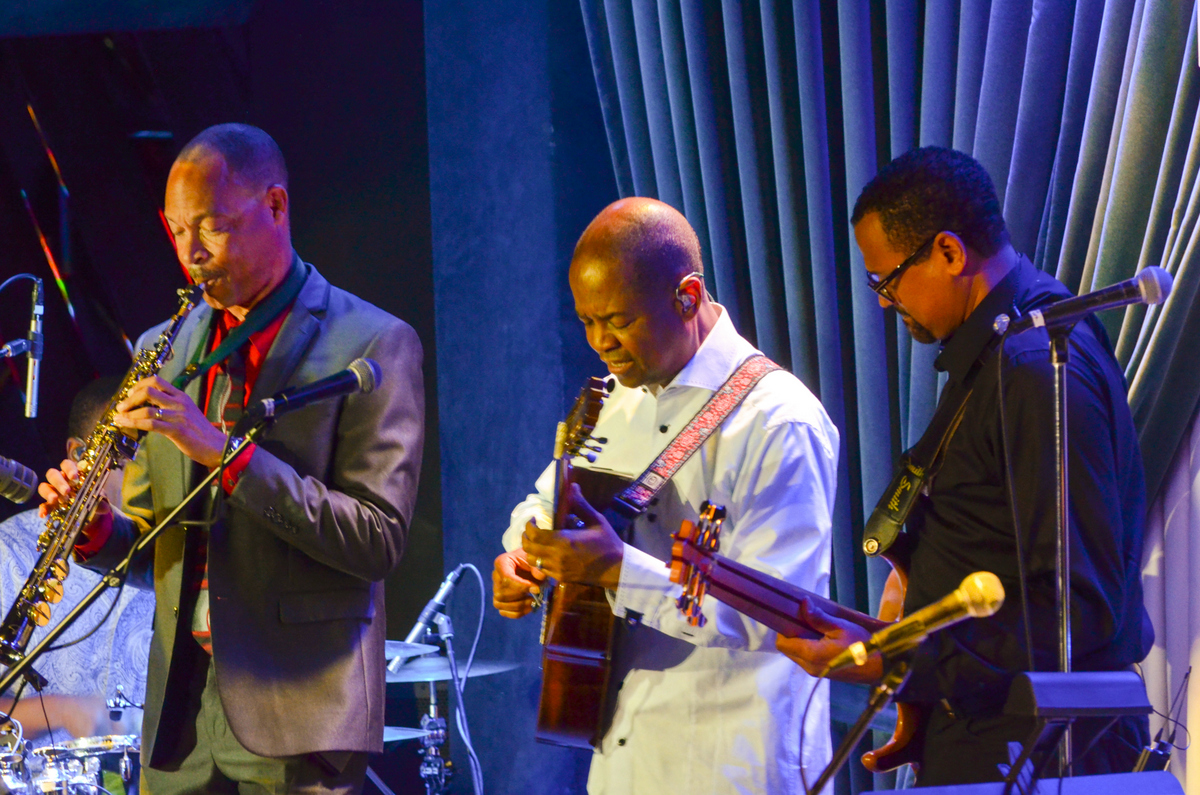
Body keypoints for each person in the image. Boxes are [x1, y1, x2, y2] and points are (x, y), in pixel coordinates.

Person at [38, 123, 425, 794]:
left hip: (299, 716)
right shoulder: (164, 345)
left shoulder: (375, 341)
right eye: (176, 229)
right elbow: (153, 541)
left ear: (276, 206)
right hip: (182, 722)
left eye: (211, 227)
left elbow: (377, 539)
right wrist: (95, 531)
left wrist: (223, 453)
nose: (190, 253)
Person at [777, 147, 1153, 786]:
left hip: (1045, 754)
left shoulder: (1038, 369)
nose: (884, 302)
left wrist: (896, 660)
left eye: (886, 280)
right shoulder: (1000, 352)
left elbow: (1076, 611)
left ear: (949, 253)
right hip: (995, 735)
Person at [492, 197, 839, 794]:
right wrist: (523, 553)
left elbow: (783, 618)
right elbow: (546, 502)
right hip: (623, 758)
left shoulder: (780, 421)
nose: (600, 341)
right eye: (586, 321)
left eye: (619, 320)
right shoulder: (617, 397)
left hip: (729, 768)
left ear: (687, 295)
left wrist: (619, 570)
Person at [0, 376, 152, 745]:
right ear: (80, 455)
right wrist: (65, 711)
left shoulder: (180, 543)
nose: (153, 471)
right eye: (137, 453)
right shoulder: (11, 550)